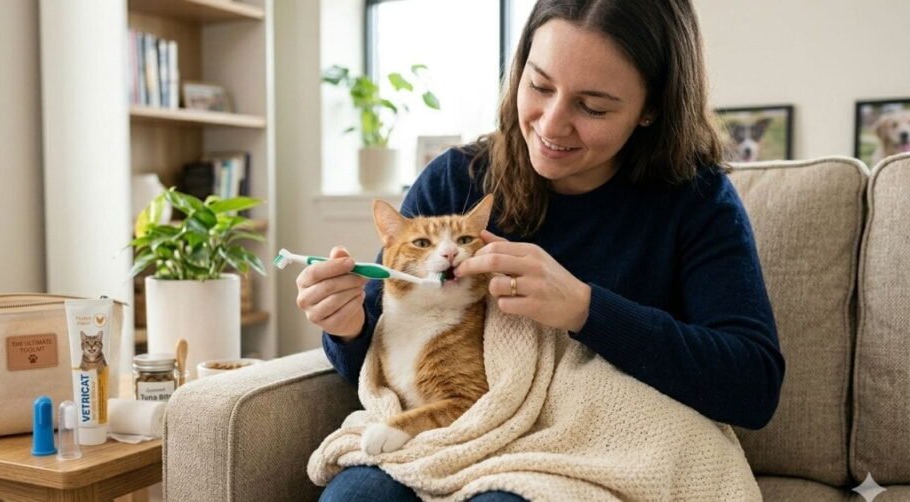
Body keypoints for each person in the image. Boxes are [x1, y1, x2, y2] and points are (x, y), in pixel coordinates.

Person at [295, 0, 786, 500]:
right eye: (540, 85)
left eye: (592, 106)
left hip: (586, 448)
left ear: (651, 109)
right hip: (449, 432)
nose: (551, 126)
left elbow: (752, 386)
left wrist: (584, 308)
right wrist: (346, 326)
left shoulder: (695, 201)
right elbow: (384, 359)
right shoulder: (456, 182)